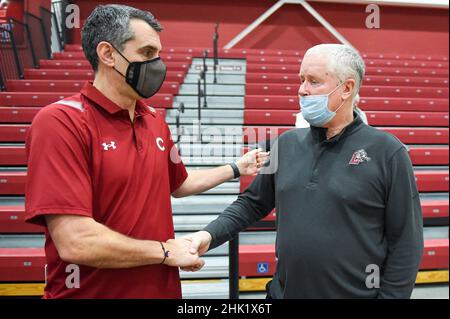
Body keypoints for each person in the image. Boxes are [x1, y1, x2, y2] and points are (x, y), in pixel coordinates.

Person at [24, 4, 268, 299]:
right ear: (108, 54)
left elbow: (179, 184)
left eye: (158, 54)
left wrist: (235, 168)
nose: (158, 64)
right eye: (147, 53)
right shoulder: (61, 121)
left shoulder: (154, 119)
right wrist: (165, 251)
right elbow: (76, 241)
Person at [184, 44, 424, 299]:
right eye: (301, 80)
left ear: (347, 88)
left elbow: (406, 243)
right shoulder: (284, 145)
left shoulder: (388, 152)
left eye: (314, 81)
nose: (302, 89)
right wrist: (207, 235)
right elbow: (251, 205)